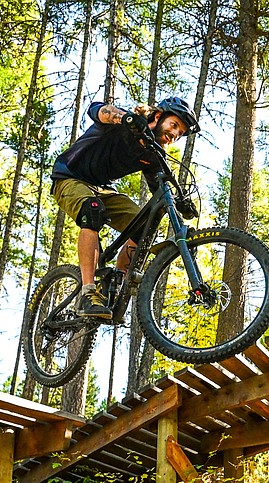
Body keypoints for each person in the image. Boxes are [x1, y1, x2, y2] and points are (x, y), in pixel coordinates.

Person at [51, 96, 199, 318]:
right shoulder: (124, 123)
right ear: (158, 116)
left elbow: (159, 188)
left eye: (180, 133)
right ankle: (87, 293)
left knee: (145, 226)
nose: (175, 134)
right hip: (69, 178)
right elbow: (96, 109)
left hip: (103, 189)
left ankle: (117, 282)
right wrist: (125, 118)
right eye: (174, 124)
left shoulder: (152, 154)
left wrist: (179, 203)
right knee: (93, 209)